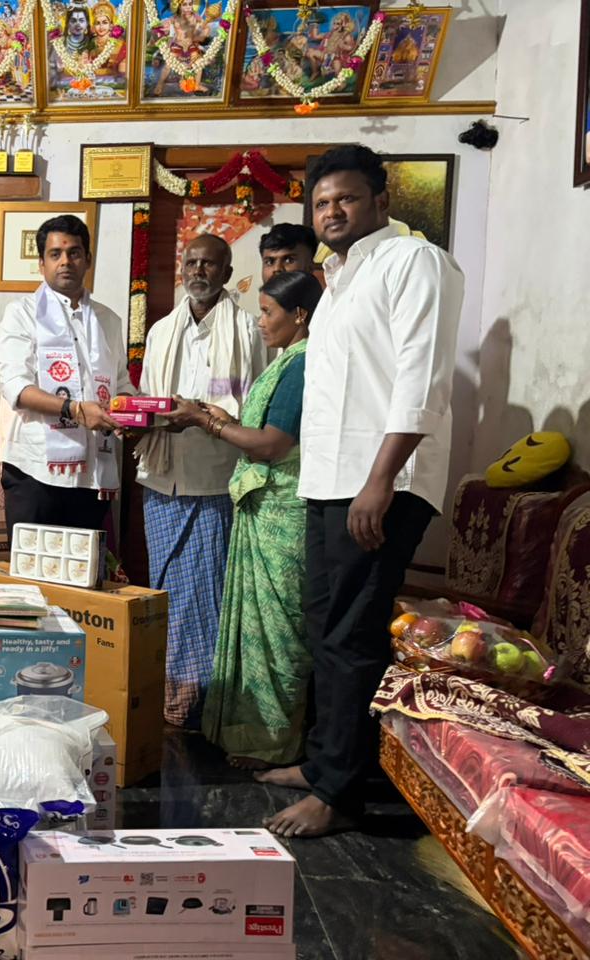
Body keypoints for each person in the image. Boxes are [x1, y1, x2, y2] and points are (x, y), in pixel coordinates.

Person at [260, 144, 464, 837]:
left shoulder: (416, 262)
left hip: (380, 484)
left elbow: (421, 378)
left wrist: (380, 481)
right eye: (321, 203)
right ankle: (327, 763)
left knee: (350, 634)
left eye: (345, 198)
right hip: (331, 481)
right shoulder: (340, 276)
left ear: (380, 199)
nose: (332, 211)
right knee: (326, 626)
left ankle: (339, 794)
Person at [161, 271, 323, 769]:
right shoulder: (287, 361)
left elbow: (274, 444)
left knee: (277, 636)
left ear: (299, 315)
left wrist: (208, 422)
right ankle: (254, 735)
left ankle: (274, 744)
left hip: (283, 512)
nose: (260, 322)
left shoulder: (301, 364)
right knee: (261, 630)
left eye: (269, 312)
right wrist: (219, 419)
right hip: (263, 507)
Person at [135, 235, 269, 728]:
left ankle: (197, 704)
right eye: (190, 262)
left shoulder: (249, 332)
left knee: (204, 593)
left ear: (227, 271)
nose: (198, 270)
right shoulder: (162, 332)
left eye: (209, 263)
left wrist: (203, 416)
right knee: (165, 588)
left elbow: (257, 406)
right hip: (162, 478)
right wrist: (145, 416)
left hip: (216, 481)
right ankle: (169, 689)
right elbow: (149, 397)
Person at [0, 215, 133, 537]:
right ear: (41, 264)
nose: (65, 262)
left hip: (91, 471)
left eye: (74, 253)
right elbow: (16, 387)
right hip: (35, 470)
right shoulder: (22, 314)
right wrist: (75, 410)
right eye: (55, 254)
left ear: (88, 260)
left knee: (81, 578)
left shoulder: (107, 320)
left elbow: (120, 383)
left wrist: (143, 411)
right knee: (33, 576)